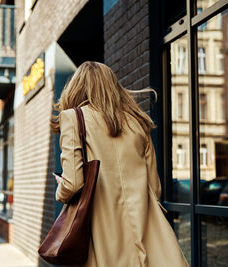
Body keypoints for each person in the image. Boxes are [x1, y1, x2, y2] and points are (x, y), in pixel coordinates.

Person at [51, 61, 189, 267]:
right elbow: (155, 189)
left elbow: (73, 184)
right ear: (114, 87)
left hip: (101, 235)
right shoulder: (138, 122)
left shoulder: (73, 118)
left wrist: (61, 188)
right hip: (143, 234)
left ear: (76, 88)